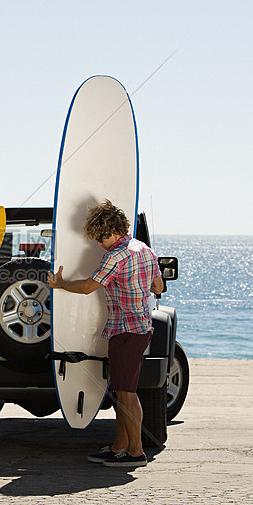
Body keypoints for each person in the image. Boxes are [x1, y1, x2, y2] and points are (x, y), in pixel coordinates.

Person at [47, 200, 163, 467]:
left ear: (113, 230)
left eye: (101, 237)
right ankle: (119, 446)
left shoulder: (116, 256)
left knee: (126, 393)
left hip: (125, 330)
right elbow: (158, 287)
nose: (99, 243)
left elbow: (88, 287)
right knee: (123, 390)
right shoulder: (145, 250)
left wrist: (61, 284)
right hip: (141, 328)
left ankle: (136, 453)